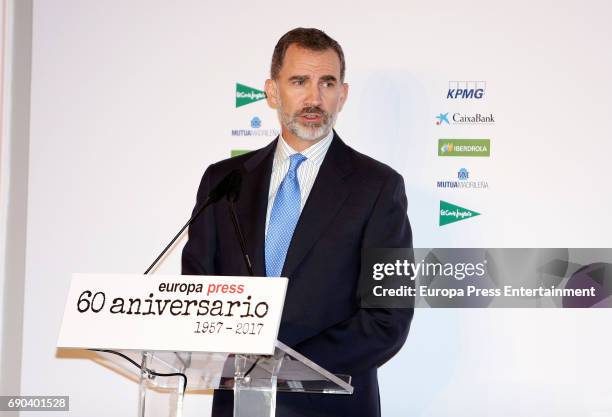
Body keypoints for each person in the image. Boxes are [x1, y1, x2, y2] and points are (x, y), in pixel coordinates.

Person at [182, 27, 413, 417]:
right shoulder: (223, 181)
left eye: (327, 83)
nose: (314, 98)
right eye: (299, 81)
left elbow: (387, 318)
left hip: (330, 406)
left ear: (343, 94)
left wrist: (281, 368)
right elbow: (197, 292)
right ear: (272, 92)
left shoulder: (378, 187)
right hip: (236, 404)